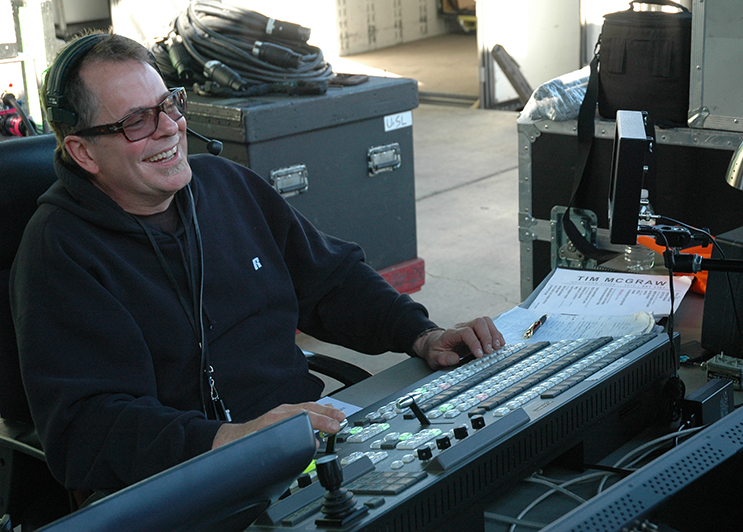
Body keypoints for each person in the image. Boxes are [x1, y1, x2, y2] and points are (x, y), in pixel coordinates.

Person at [10, 31, 505, 493]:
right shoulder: (59, 251)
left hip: (306, 443)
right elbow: (88, 429)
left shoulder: (226, 186)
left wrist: (421, 334)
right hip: (190, 482)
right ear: (83, 152)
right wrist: (234, 439)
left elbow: (332, 279)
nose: (170, 129)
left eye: (169, 105)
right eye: (136, 121)